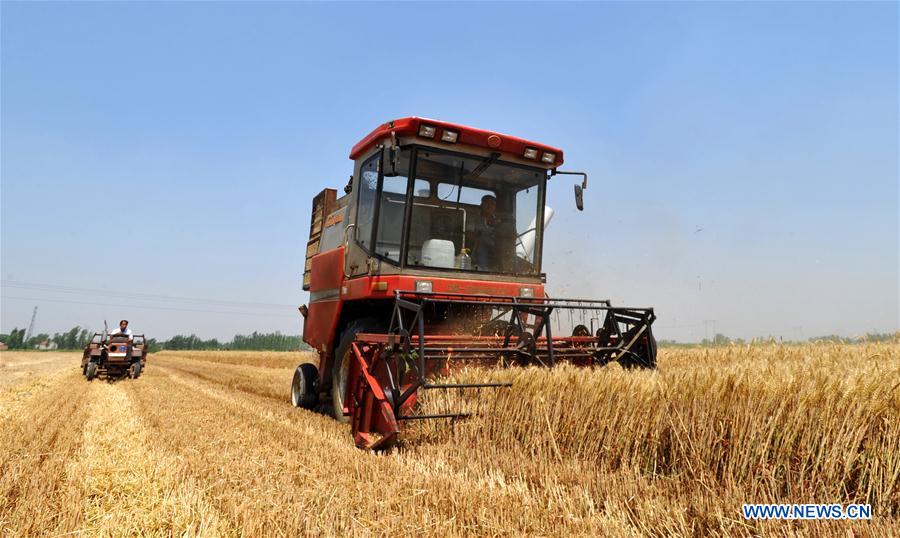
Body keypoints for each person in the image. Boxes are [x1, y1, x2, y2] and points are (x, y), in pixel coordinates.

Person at [467, 195, 498, 271]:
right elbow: (469, 233)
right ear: (482, 205)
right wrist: (479, 239)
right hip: (479, 247)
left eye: (492, 204)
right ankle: (484, 271)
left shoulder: (499, 220)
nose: (489, 206)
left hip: (497, 247)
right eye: (487, 203)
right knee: (481, 246)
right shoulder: (474, 218)